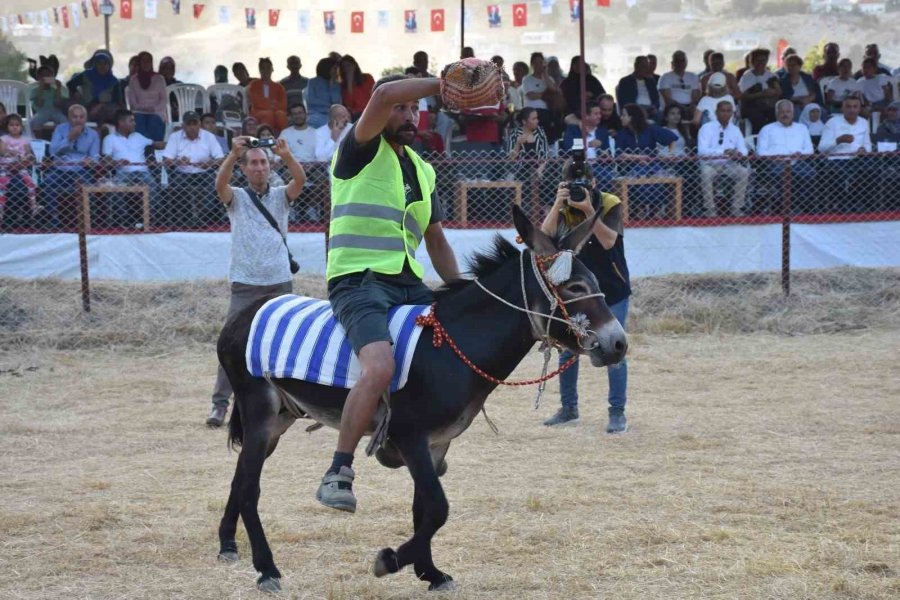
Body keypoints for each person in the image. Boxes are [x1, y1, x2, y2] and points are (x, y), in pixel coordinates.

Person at [317, 73, 462, 512]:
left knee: (454, 352)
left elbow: (436, 241)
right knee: (378, 368)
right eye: (401, 107)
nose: (408, 115)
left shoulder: (422, 169)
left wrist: (457, 294)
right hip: (357, 280)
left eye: (413, 109)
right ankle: (338, 470)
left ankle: (417, 443)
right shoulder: (357, 149)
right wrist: (445, 82)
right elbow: (381, 94)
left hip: (406, 282)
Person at [206, 136, 307, 427]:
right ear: (245, 168)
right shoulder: (236, 197)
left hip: (278, 281)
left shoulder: (280, 196)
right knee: (230, 345)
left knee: (283, 344)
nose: (259, 167)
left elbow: (299, 180)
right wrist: (231, 155)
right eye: (253, 163)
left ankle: (288, 404)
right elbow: (219, 186)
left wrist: (286, 155)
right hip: (246, 282)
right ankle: (219, 406)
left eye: (263, 162)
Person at [540, 159, 631, 433]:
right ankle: (569, 408)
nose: (579, 189)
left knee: (614, 349)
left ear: (593, 183)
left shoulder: (610, 203)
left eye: (583, 183)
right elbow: (544, 237)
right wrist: (558, 203)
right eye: (572, 185)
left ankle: (617, 412)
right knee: (569, 348)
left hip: (612, 288)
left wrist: (589, 210)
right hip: (579, 293)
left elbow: (608, 241)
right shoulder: (564, 207)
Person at [101, 109, 165, 226]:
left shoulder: (138, 136)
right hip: (123, 172)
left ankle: (150, 218)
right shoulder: (109, 139)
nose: (134, 123)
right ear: (121, 123)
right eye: (131, 121)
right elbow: (106, 159)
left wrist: (173, 141)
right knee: (116, 188)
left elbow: (156, 144)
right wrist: (117, 162)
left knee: (153, 186)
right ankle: (123, 218)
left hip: (142, 172)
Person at [161, 111, 225, 226]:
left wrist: (209, 164)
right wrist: (177, 162)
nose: (192, 127)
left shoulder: (208, 136)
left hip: (205, 172)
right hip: (182, 173)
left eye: (194, 123)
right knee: (177, 187)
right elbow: (166, 159)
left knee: (214, 186)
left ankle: (204, 219)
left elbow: (220, 158)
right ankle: (185, 220)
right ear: (183, 125)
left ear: (199, 124)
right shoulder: (175, 137)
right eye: (188, 124)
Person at [615, 104, 679, 219]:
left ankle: (656, 208)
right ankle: (641, 208)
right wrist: (639, 158)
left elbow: (672, 138)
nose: (621, 118)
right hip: (631, 167)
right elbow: (619, 154)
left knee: (659, 178)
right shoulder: (622, 133)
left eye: (624, 115)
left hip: (652, 165)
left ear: (632, 117)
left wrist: (670, 154)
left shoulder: (650, 129)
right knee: (638, 177)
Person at [43, 104, 100, 228]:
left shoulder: (93, 134)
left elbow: (95, 157)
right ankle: (54, 219)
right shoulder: (60, 129)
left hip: (80, 170)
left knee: (89, 186)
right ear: (69, 118)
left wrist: (91, 161)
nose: (78, 120)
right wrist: (69, 138)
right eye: (74, 117)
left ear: (86, 118)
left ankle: (88, 220)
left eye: (81, 117)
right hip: (60, 169)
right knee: (47, 182)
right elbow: (52, 151)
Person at [757, 100, 816, 214]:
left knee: (810, 174)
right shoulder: (767, 129)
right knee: (782, 176)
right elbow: (760, 151)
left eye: (788, 111)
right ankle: (781, 209)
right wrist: (774, 157)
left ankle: (800, 206)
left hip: (797, 162)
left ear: (793, 113)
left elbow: (810, 150)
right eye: (782, 112)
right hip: (776, 163)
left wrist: (800, 154)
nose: (785, 114)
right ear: (776, 113)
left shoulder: (802, 128)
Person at [817, 96, 872, 213]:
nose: (852, 110)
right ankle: (842, 206)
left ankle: (861, 204)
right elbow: (821, 148)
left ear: (859, 109)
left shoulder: (863, 122)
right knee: (839, 174)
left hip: (858, 159)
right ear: (842, 108)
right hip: (836, 159)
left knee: (872, 170)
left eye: (855, 106)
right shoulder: (832, 123)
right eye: (848, 106)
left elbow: (868, 144)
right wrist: (838, 140)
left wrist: (864, 150)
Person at [697, 100, 750, 217]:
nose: (725, 114)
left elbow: (744, 150)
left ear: (732, 113)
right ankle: (710, 210)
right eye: (722, 111)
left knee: (743, 172)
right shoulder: (706, 128)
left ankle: (736, 208)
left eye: (728, 111)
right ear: (716, 112)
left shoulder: (735, 130)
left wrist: (738, 153)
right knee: (705, 173)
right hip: (710, 164)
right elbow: (702, 151)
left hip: (729, 164)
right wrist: (724, 151)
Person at [0, 114, 42, 224]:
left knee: (30, 184)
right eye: (11, 125)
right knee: (2, 186)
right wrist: (12, 152)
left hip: (21, 167)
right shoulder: (4, 139)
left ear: (21, 127)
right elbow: (2, 151)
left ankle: (33, 206)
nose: (14, 127)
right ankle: (1, 209)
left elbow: (29, 153)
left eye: (17, 125)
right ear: (7, 126)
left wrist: (28, 157)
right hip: (5, 168)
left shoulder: (25, 140)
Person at [67, 50, 123, 125]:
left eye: (105, 63)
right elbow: (70, 84)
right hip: (85, 105)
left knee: (111, 112)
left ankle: (99, 131)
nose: (102, 66)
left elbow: (117, 101)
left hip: (105, 108)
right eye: (99, 63)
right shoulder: (87, 75)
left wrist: (101, 105)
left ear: (109, 65)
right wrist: (76, 92)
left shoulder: (114, 81)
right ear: (95, 64)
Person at [126, 51, 168, 142]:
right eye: (143, 61)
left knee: (154, 120)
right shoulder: (133, 79)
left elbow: (163, 100)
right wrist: (144, 108)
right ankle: (145, 147)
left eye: (149, 61)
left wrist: (153, 109)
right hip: (138, 112)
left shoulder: (159, 79)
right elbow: (132, 102)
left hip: (156, 112)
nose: (146, 64)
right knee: (138, 119)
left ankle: (153, 147)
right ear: (139, 63)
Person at [739, 48, 781, 134]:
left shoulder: (771, 75)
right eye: (758, 60)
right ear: (752, 61)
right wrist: (760, 94)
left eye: (763, 60)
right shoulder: (747, 77)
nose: (761, 63)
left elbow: (779, 92)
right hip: (752, 107)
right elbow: (743, 96)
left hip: (769, 106)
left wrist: (772, 92)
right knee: (758, 119)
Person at [247, 58, 289, 133]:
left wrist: (272, 106)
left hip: (275, 112)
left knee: (281, 115)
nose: (265, 70)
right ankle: (266, 140)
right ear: (259, 70)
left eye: (268, 68)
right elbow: (256, 102)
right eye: (263, 68)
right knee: (268, 115)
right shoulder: (254, 85)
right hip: (257, 112)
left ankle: (285, 140)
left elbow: (283, 105)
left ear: (272, 69)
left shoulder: (279, 87)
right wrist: (272, 105)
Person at [779, 54, 823, 119]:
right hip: (793, 105)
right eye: (788, 65)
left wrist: (809, 99)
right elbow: (784, 97)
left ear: (799, 66)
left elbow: (815, 92)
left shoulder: (807, 77)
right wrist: (800, 100)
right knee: (797, 112)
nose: (791, 67)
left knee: (822, 111)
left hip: (809, 102)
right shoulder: (783, 80)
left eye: (793, 65)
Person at [616, 56, 659, 120]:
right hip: (635, 110)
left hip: (650, 110)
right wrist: (639, 110)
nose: (646, 69)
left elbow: (656, 98)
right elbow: (623, 101)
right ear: (636, 66)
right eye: (643, 66)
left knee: (661, 115)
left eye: (647, 66)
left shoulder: (651, 81)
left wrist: (654, 107)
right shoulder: (625, 81)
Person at [658, 50, 701, 115]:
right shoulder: (665, 77)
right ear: (673, 63)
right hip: (672, 108)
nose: (680, 63)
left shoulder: (693, 76)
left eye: (683, 60)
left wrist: (691, 107)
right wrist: (683, 108)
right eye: (677, 60)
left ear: (686, 62)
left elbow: (695, 97)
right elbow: (668, 100)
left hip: (689, 108)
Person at [29, 65, 68, 133]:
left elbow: (58, 104)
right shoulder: (34, 90)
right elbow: (39, 104)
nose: (46, 77)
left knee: (64, 120)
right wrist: (41, 87)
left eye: (48, 75)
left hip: (56, 112)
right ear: (38, 77)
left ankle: (61, 140)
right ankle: (38, 140)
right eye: (43, 75)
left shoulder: (54, 90)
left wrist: (58, 88)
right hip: (41, 112)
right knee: (35, 121)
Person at [306, 58, 342, 129]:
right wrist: (330, 105)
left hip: (331, 115)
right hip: (315, 114)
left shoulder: (336, 85)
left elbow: (336, 102)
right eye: (334, 68)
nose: (337, 71)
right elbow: (311, 100)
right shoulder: (313, 82)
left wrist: (332, 85)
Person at [339, 55, 375, 121]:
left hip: (370, 110)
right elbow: (349, 104)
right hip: (356, 114)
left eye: (349, 65)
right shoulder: (343, 85)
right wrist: (349, 81)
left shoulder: (367, 77)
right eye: (344, 67)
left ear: (354, 65)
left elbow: (374, 95)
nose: (347, 69)